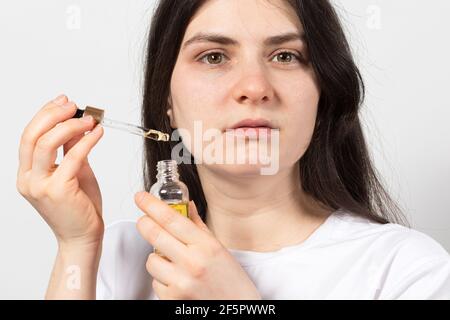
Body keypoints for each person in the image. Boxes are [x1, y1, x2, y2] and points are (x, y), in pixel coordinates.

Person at [17, 0, 450, 300]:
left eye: (285, 56)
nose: (254, 88)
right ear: (166, 99)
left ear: (323, 92)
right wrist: (75, 243)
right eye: (213, 57)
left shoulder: (403, 271)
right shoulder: (117, 257)